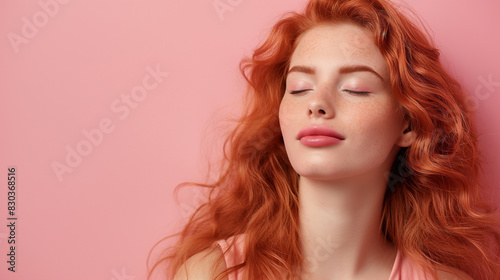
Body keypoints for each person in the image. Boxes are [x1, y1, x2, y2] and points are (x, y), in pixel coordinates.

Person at [148, 0, 500, 279]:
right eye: (299, 88)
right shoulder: (212, 274)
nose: (317, 104)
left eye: (356, 89)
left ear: (407, 125)